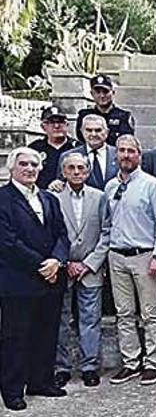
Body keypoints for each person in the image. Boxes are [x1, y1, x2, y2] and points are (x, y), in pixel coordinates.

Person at [0, 147, 70, 411]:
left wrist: (57, 260)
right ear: (12, 168)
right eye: (24, 164)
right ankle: (12, 389)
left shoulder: (48, 198)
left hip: (51, 278)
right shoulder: (3, 198)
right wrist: (42, 264)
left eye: (34, 164)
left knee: (46, 333)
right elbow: (7, 241)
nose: (30, 169)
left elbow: (62, 234)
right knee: (16, 337)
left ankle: (41, 381)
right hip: (19, 279)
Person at [103, 135, 156, 386]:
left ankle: (153, 361)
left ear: (139, 155)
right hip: (117, 255)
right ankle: (130, 361)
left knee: (151, 312)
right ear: (116, 155)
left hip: (144, 255)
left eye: (131, 151)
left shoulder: (152, 185)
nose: (126, 155)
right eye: (122, 151)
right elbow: (107, 222)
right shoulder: (110, 187)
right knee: (124, 312)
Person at [53, 153, 109, 389]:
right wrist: (65, 262)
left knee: (90, 320)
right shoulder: (53, 196)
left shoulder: (99, 197)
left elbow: (107, 232)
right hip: (61, 267)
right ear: (64, 172)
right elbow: (51, 233)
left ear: (87, 172)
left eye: (81, 168)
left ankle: (89, 367)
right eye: (71, 168)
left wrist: (88, 263)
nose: (76, 172)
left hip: (90, 268)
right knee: (61, 320)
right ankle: (61, 367)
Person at [57, 114, 119, 191]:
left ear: (107, 132)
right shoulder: (67, 156)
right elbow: (61, 184)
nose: (93, 134)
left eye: (98, 130)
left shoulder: (118, 154)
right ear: (82, 131)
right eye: (89, 130)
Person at [75, 75, 135, 147]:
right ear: (92, 94)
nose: (102, 96)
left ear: (113, 93)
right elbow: (81, 138)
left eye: (105, 92)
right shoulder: (84, 115)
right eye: (98, 92)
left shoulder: (123, 116)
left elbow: (125, 141)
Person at [29, 106, 80, 189]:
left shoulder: (77, 148)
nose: (56, 126)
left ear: (67, 125)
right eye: (51, 122)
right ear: (43, 126)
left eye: (60, 122)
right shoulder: (34, 149)